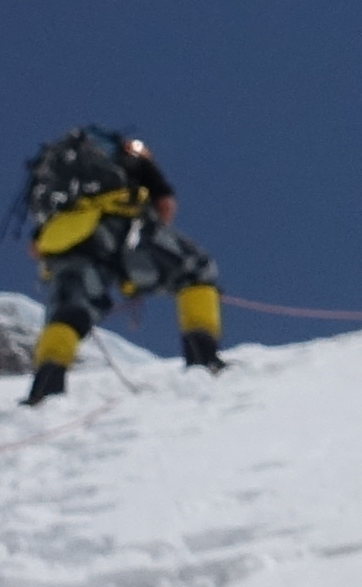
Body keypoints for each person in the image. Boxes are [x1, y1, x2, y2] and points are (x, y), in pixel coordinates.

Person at [15, 123, 227, 402]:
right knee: (195, 271)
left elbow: (36, 244)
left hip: (67, 238)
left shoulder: (55, 180)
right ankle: (203, 359)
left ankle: (44, 390)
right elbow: (164, 205)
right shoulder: (131, 157)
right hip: (122, 226)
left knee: (68, 313)